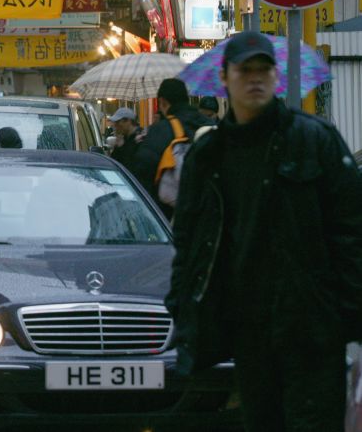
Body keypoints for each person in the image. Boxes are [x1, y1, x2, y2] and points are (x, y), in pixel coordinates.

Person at [167, 31, 362, 431]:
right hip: (247, 331)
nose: (254, 79)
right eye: (244, 71)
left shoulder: (313, 140)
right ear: (225, 78)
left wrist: (344, 315)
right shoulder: (208, 155)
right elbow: (188, 240)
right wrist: (183, 307)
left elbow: (351, 232)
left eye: (263, 70)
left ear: (276, 77)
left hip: (312, 327)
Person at [130, 78, 211, 217]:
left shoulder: (161, 130)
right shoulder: (209, 126)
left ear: (162, 102)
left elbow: (143, 175)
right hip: (210, 212)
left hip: (170, 215)